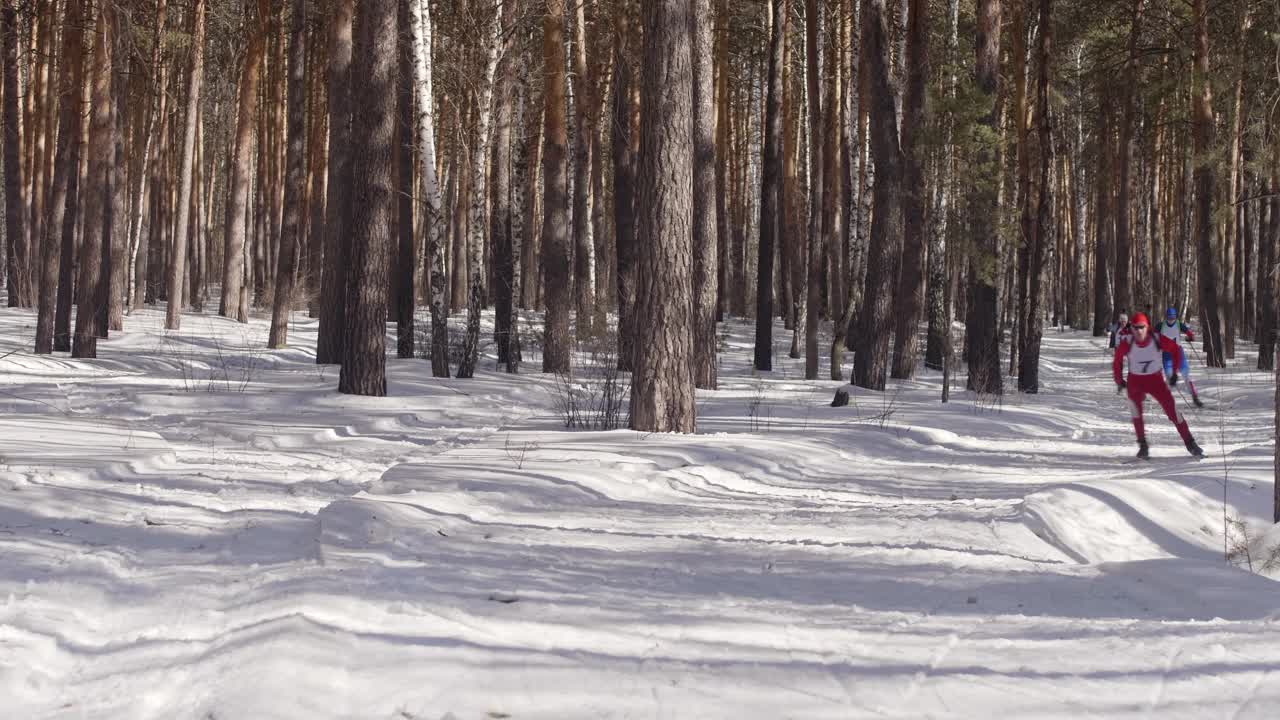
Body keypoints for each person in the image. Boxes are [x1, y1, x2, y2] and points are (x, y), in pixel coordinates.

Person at [1112, 312, 1203, 458]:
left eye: (1142, 327)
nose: (1139, 331)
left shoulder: (1156, 338)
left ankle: (1190, 443)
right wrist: (1119, 380)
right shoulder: (1127, 342)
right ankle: (1143, 446)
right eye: (1135, 328)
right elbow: (1117, 361)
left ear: (1147, 327)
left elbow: (1175, 350)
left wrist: (1173, 373)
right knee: (1136, 413)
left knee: (1173, 411)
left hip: (1156, 381)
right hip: (1135, 381)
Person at [1156, 306, 1203, 408]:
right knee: (1169, 376)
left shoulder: (1179, 324)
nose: (1171, 320)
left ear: (1175, 317)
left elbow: (1190, 333)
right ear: (1166, 317)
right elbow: (1153, 335)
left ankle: (1195, 397)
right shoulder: (1160, 325)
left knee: (1186, 375)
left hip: (1178, 353)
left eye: (1173, 318)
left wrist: (1190, 337)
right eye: (1169, 318)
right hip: (1167, 355)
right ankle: (1166, 400)